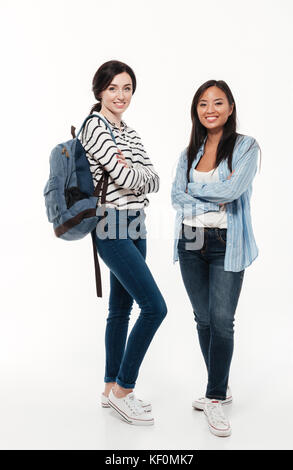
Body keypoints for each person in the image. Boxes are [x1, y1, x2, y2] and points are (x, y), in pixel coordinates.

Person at [171, 80, 261, 437]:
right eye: (203, 104)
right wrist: (208, 195)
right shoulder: (188, 153)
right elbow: (177, 197)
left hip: (227, 240)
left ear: (230, 108)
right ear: (196, 110)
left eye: (218, 103)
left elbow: (235, 189)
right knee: (203, 318)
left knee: (223, 319)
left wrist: (196, 191)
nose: (210, 109)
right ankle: (218, 389)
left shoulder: (246, 147)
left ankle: (214, 396)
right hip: (190, 239)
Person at [79, 60, 167, 426]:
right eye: (113, 87)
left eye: (127, 88)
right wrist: (132, 173)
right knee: (155, 308)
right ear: (100, 90)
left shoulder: (128, 132)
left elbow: (154, 178)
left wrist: (133, 172)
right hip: (111, 225)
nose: (121, 95)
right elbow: (124, 174)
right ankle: (124, 391)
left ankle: (108, 388)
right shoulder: (94, 126)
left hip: (136, 225)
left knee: (121, 310)